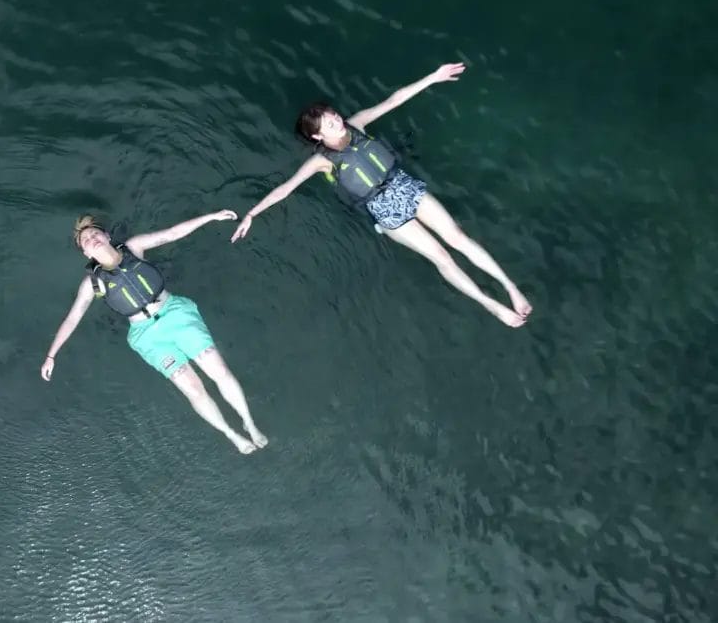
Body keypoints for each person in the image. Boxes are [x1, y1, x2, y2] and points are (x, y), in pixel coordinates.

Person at [230, 62, 533, 327]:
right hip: (383, 209)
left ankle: (510, 287)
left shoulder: (357, 124)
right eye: (329, 123)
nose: (336, 120)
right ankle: (491, 305)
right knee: (441, 256)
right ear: (318, 136)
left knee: (457, 236)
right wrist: (253, 213)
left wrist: (433, 77)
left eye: (333, 115)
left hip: (402, 185)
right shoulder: (321, 161)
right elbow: (286, 188)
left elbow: (393, 100)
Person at [41, 211, 269, 454]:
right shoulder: (92, 284)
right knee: (193, 388)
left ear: (106, 236)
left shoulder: (133, 247)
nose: (92, 239)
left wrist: (211, 217)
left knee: (219, 371)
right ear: (86, 253)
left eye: (95, 233)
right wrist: (51, 355)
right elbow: (72, 318)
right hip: (147, 337)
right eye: (86, 240)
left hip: (176, 314)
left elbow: (172, 233)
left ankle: (249, 422)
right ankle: (231, 434)